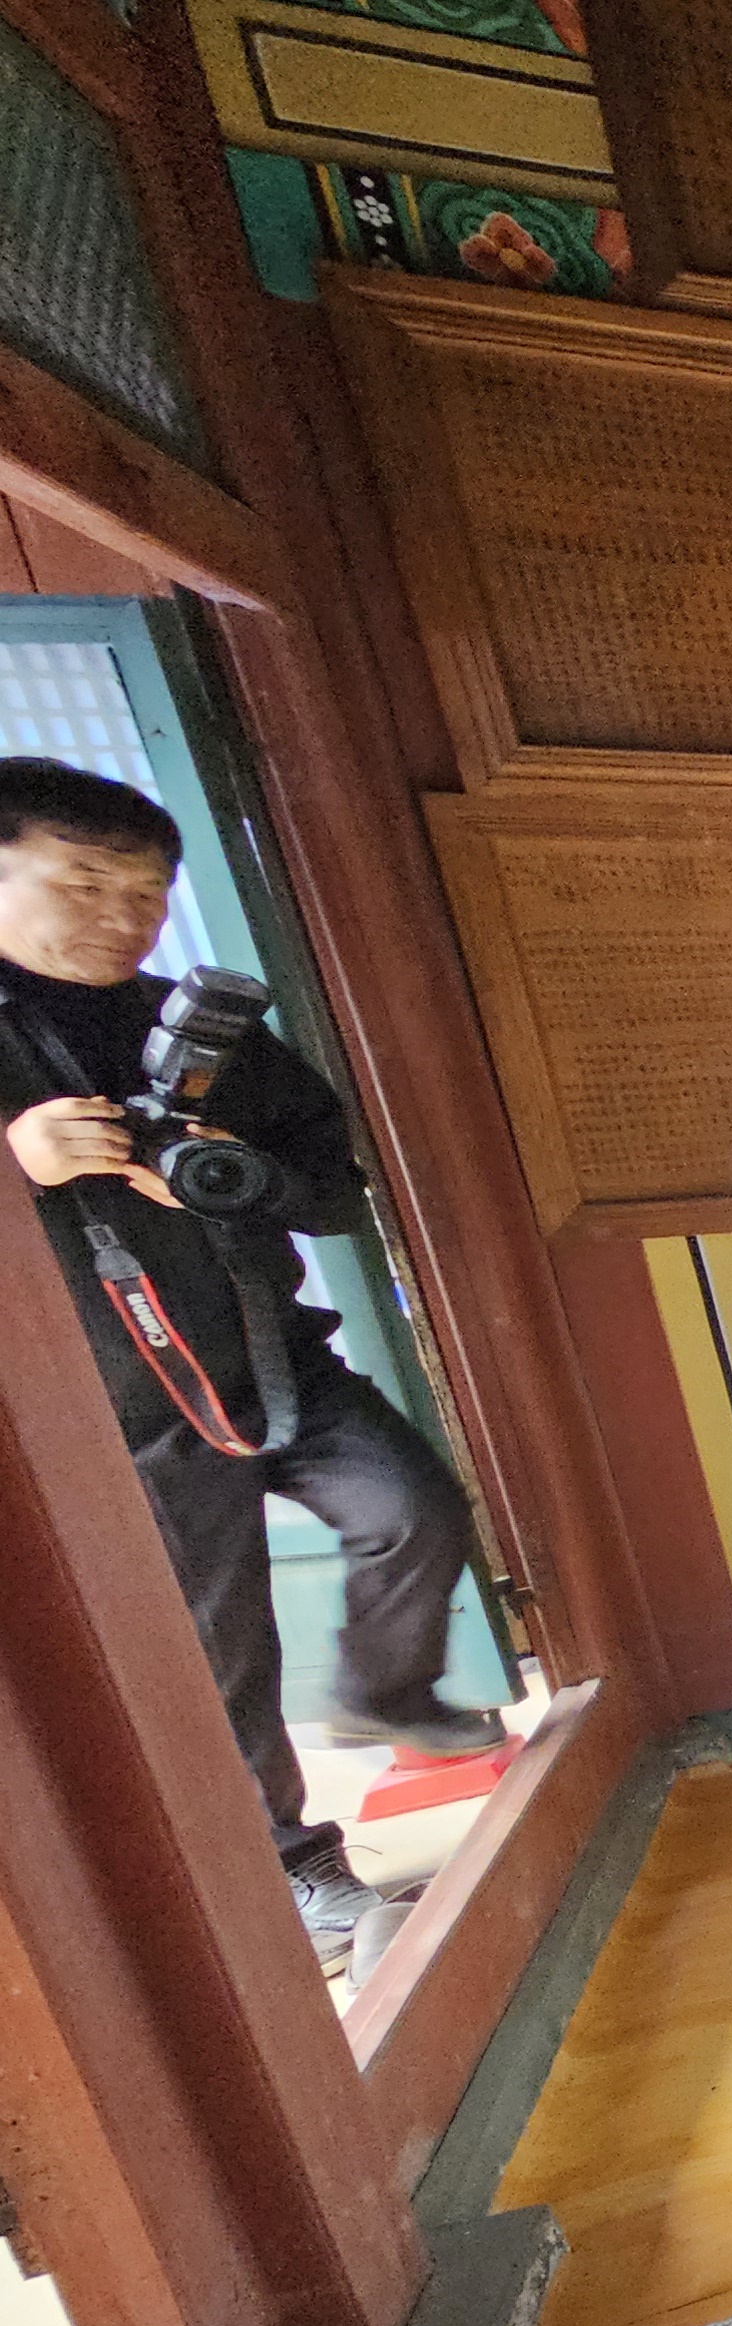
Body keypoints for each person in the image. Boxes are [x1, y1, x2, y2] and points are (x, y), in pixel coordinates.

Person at [0, 758, 492, 1967]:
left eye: (146, 891)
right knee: (223, 1644)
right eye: (84, 882)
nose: (125, 915)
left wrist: (241, 1173)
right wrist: (19, 1166)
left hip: (273, 1361)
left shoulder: (201, 1031)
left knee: (413, 1508)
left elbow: (334, 1189)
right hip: (118, 1405)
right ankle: (299, 1875)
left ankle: (385, 1687)